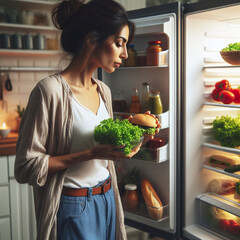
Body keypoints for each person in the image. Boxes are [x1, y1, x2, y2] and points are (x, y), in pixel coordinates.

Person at [14, 0, 160, 239]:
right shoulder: (49, 91)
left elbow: (106, 149)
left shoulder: (104, 90)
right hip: (74, 205)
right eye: (119, 43)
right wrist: (91, 153)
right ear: (92, 40)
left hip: (109, 198)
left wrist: (136, 133)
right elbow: (25, 167)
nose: (124, 53)